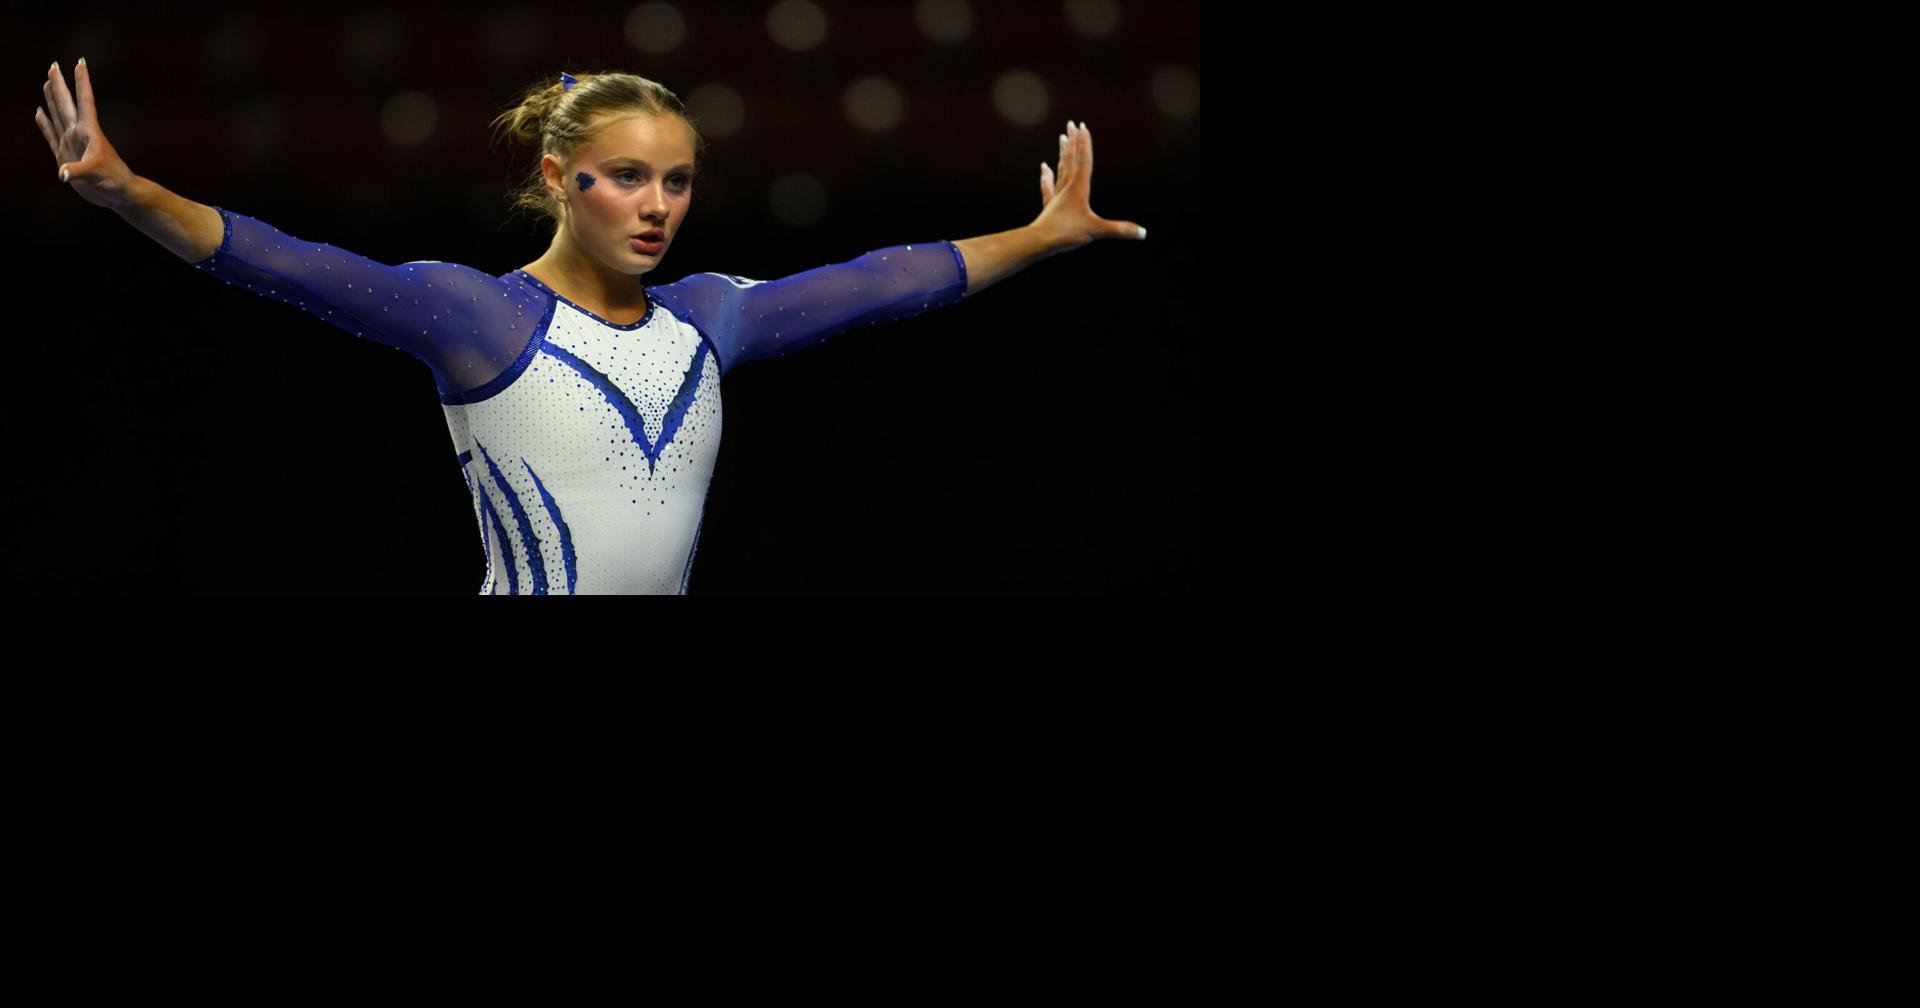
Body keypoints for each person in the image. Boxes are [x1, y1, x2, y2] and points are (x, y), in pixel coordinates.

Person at [36, 60, 1146, 594]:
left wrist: (1038, 236)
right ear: (562, 179)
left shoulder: (710, 320)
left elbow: (881, 278)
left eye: (677, 181)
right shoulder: (481, 317)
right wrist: (133, 193)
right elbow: (294, 265)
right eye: (627, 178)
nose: (658, 205)